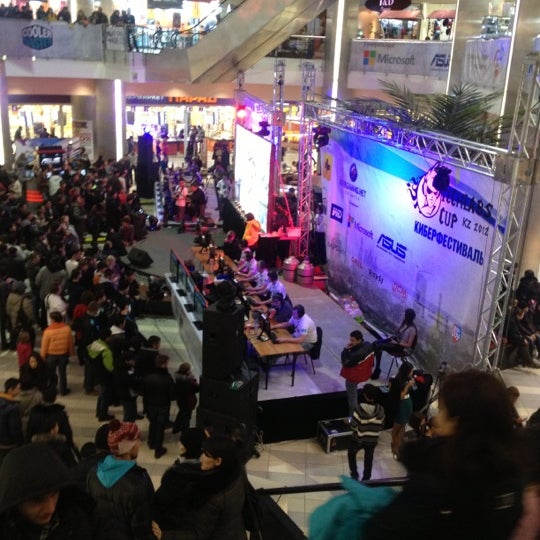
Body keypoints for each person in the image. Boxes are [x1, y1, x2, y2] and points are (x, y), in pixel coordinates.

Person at [364, 370, 524, 540]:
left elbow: (380, 530)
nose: (438, 419)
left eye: (442, 411)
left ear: (457, 422)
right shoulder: (511, 474)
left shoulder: (436, 478)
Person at [0, 442, 116, 539]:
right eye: (37, 499)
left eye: (54, 494)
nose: (50, 508)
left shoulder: (82, 516)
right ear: (15, 501)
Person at [154, 435, 247, 540]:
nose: (201, 457)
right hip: (236, 531)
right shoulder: (237, 472)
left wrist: (164, 535)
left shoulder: (213, 498)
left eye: (206, 455)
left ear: (218, 461)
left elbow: (198, 535)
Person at [87, 420, 156, 539]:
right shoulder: (138, 484)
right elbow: (142, 530)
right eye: (137, 440)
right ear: (129, 448)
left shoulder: (93, 473)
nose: (139, 444)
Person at [348, 384, 385, 481]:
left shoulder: (359, 408)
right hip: (372, 440)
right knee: (369, 458)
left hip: (358, 439)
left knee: (351, 453)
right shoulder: (380, 409)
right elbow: (381, 425)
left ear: (364, 395)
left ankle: (354, 475)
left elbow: (353, 426)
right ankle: (366, 479)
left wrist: (348, 422)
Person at [371, 308, 417, 380]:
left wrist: (397, 343)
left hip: (400, 347)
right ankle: (372, 362)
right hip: (396, 341)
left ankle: (377, 369)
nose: (404, 316)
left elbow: (409, 345)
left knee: (379, 346)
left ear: (408, 317)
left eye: (405, 315)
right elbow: (396, 333)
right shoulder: (406, 324)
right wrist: (401, 325)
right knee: (375, 343)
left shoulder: (412, 329)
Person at [143, 354, 174, 459]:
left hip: (151, 405)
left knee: (153, 423)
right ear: (164, 364)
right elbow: (172, 395)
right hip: (163, 405)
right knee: (160, 427)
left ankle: (151, 442)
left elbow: (144, 393)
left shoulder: (148, 377)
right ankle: (158, 449)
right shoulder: (167, 379)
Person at [341, 330, 375, 416]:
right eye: (350, 340)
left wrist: (345, 350)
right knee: (353, 392)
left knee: (352, 399)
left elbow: (345, 362)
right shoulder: (368, 344)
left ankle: (352, 418)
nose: (350, 342)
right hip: (365, 373)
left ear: (359, 340)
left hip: (354, 377)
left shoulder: (355, 355)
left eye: (353, 340)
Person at [40, 311, 74, 396]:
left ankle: (53, 389)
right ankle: (63, 390)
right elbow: (70, 342)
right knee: (63, 373)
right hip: (63, 354)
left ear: (53, 320)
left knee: (51, 373)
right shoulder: (67, 329)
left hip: (51, 355)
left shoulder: (48, 331)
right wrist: (71, 352)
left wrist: (42, 357)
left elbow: (44, 346)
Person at [388, 360, 415, 458]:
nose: (412, 373)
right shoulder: (396, 380)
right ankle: (395, 445)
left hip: (407, 403)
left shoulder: (407, 378)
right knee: (397, 426)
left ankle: (397, 445)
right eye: (411, 371)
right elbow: (400, 396)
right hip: (401, 405)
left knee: (403, 426)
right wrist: (408, 386)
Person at [0, 378, 23, 465]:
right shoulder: (13, 408)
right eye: (18, 388)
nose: (20, 391)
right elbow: (14, 429)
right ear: (10, 389)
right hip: (8, 443)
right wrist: (20, 442)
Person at [172, 362, 199, 434]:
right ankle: (185, 432)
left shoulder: (178, 378)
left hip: (180, 400)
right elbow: (197, 388)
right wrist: (193, 380)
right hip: (188, 401)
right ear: (187, 371)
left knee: (181, 413)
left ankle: (176, 427)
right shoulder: (189, 380)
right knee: (187, 417)